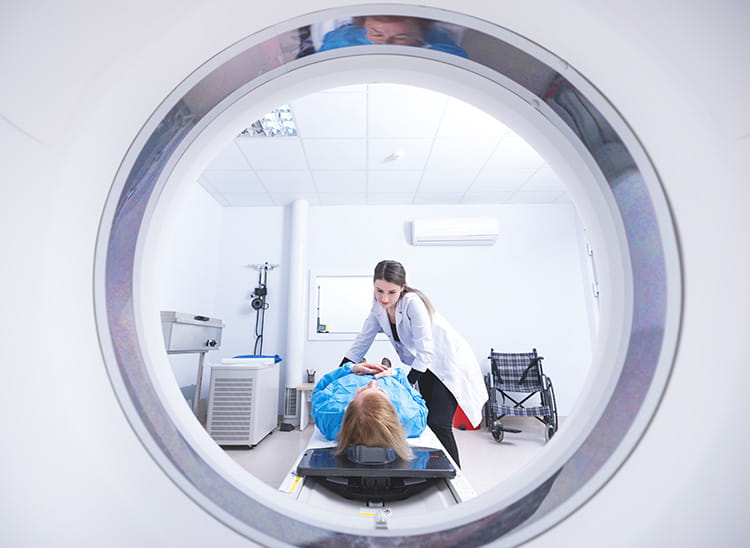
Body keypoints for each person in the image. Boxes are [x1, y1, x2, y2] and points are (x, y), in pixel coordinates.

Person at [340, 260, 487, 467]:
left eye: (391, 292)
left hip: (448, 364)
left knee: (439, 423)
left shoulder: (412, 302)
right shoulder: (378, 309)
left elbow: (427, 351)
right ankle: (431, 467)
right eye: (379, 290)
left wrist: (405, 382)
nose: (384, 298)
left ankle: (455, 476)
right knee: (423, 419)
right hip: (425, 365)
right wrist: (339, 372)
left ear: (401, 287)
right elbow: (360, 344)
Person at [311, 359, 428, 461]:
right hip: (387, 377)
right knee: (385, 368)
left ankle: (362, 363)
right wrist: (396, 374)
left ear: (349, 406)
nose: (372, 382)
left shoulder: (329, 417)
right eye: (380, 390)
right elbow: (418, 400)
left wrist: (350, 368)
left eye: (362, 390)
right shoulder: (411, 419)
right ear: (391, 408)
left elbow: (318, 392)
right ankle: (385, 366)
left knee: (361, 366)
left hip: (355, 376)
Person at [318, 15, 468, 58]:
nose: (386, 43)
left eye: (400, 37)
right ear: (364, 26)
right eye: (376, 34)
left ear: (420, 34)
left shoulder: (445, 53)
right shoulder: (341, 42)